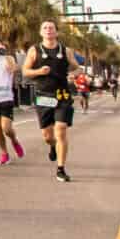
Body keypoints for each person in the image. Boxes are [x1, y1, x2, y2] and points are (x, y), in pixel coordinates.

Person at [21, 19, 76, 183]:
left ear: (56, 32)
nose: (48, 30)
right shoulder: (34, 50)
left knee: (61, 129)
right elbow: (25, 71)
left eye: (51, 27)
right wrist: (39, 71)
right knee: (47, 136)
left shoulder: (66, 51)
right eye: (45, 27)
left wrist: (75, 73)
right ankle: (52, 146)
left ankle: (61, 169)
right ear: (41, 32)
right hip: (44, 95)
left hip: (62, 95)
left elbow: (76, 66)